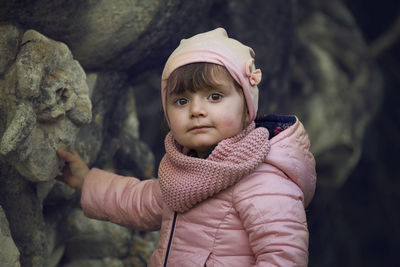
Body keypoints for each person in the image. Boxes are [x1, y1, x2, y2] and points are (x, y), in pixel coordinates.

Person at [57, 28, 316, 266]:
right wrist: (85, 180)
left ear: (247, 108)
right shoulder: (185, 171)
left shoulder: (263, 179)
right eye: (181, 101)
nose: (196, 110)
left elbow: (284, 256)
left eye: (214, 97)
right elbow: (138, 200)